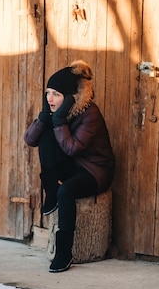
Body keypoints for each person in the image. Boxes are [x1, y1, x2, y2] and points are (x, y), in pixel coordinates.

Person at [24, 60, 115, 273]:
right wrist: (44, 118)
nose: (49, 98)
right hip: (74, 165)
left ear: (70, 96)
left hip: (96, 170)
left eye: (56, 94)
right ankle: (51, 192)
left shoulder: (90, 113)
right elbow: (30, 140)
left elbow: (73, 148)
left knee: (67, 192)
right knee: (45, 135)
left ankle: (64, 252)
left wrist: (58, 120)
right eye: (48, 93)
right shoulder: (55, 111)